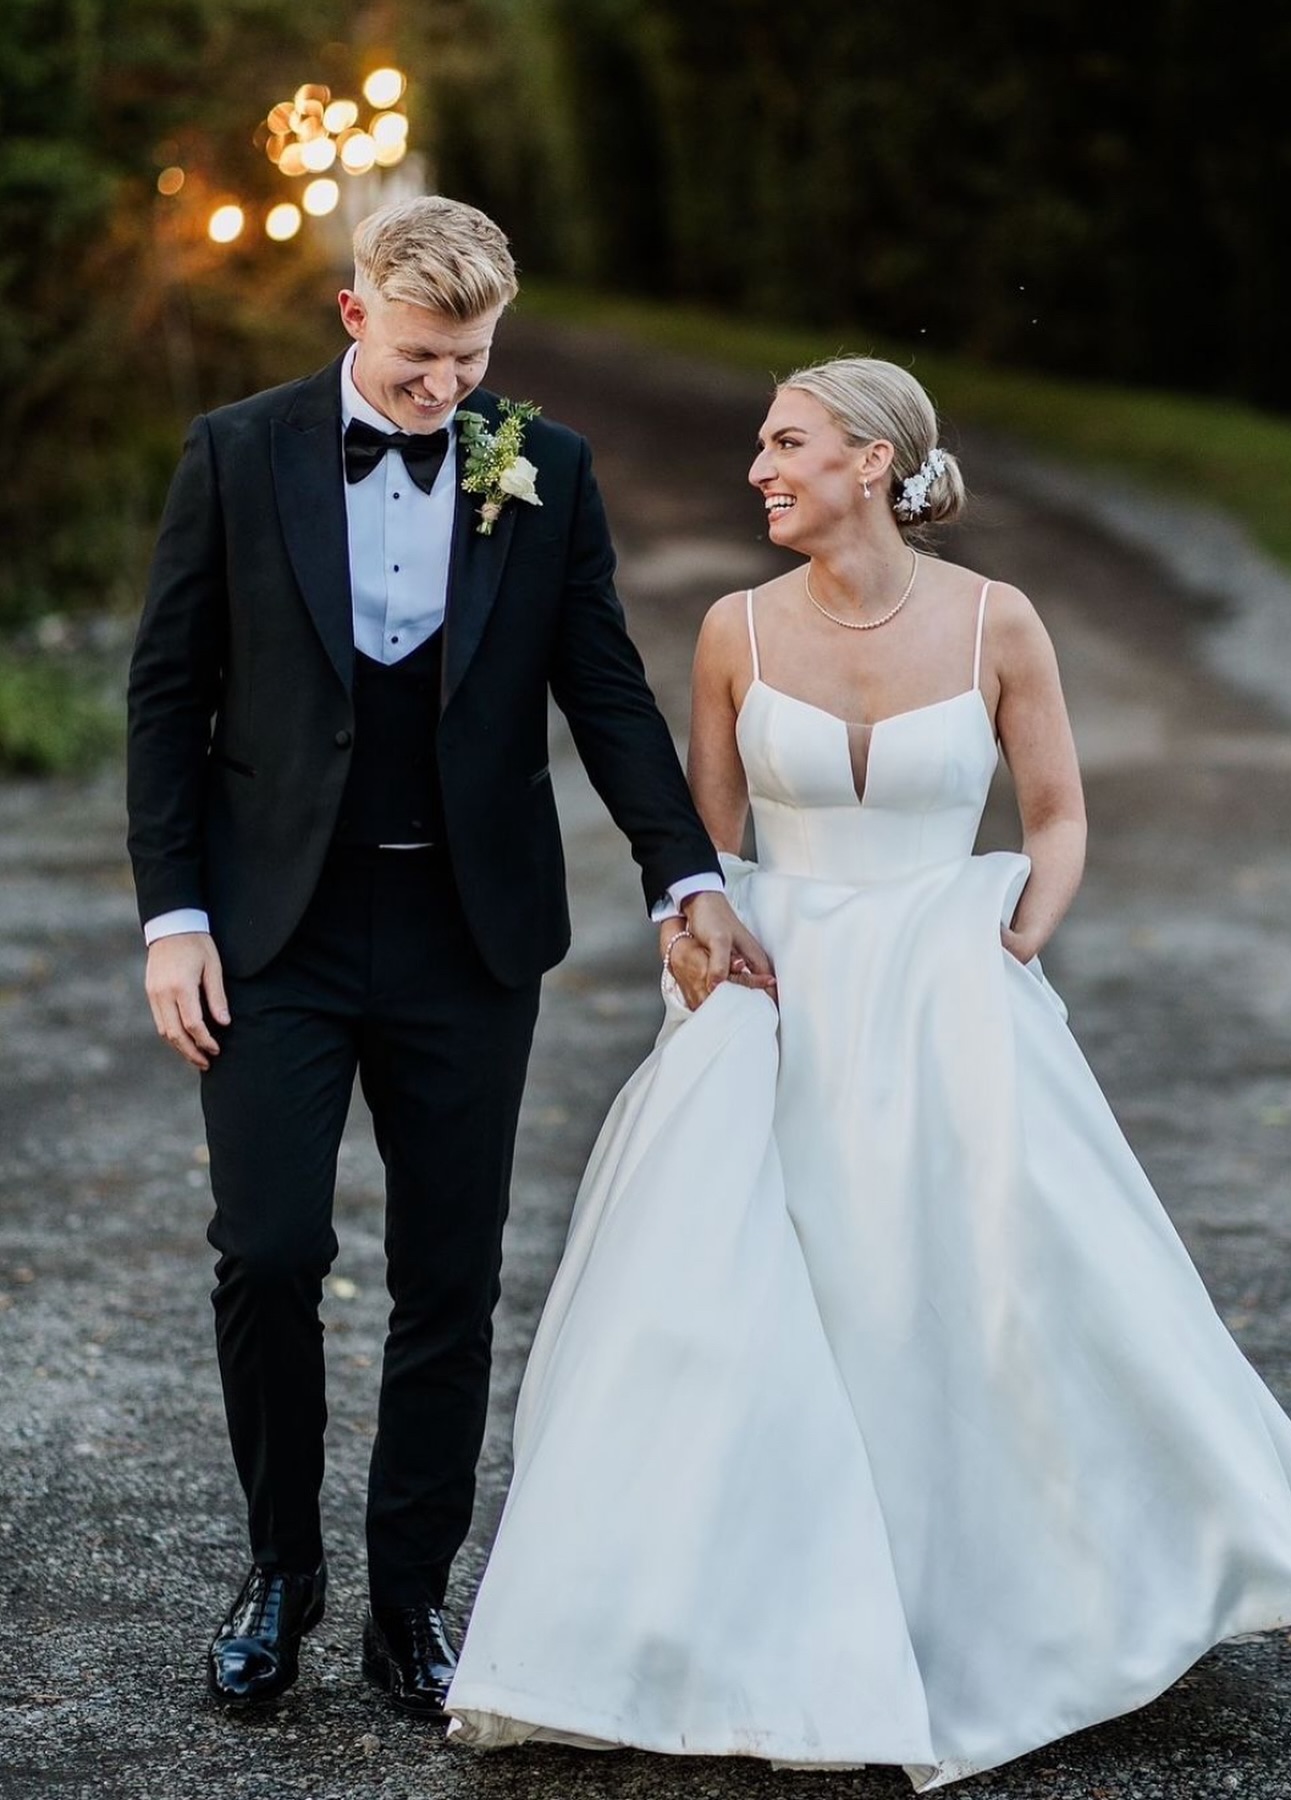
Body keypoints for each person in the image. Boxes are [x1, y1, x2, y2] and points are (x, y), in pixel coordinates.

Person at [444, 357, 1291, 1783]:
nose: (760, 468)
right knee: (738, 1310)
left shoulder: (994, 622)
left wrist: (1022, 924)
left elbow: (1061, 810)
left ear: (871, 461)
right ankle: (738, 1631)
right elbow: (696, 846)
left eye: (787, 443)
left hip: (949, 982)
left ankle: (1045, 1602)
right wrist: (695, 941)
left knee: (1004, 1292)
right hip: (783, 986)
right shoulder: (733, 630)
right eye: (762, 445)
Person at [125, 195, 770, 1717]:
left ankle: (409, 1601)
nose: (445, 391)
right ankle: (280, 1575)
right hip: (272, 932)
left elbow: (605, 687)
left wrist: (685, 875)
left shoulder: (543, 467)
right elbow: (167, 698)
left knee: (451, 1279)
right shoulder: (238, 451)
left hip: (466, 937)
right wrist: (174, 921)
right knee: (270, 1251)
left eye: (469, 360)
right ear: (355, 316)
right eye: (420, 358)